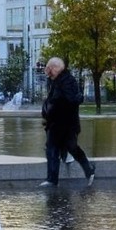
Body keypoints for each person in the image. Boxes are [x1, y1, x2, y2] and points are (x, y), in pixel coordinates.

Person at [40, 57, 95, 187]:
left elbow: (70, 100)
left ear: (55, 68)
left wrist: (51, 110)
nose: (47, 72)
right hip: (63, 124)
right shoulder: (61, 80)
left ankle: (52, 179)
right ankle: (88, 170)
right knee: (66, 148)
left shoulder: (65, 82)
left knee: (55, 149)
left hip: (62, 124)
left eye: (48, 69)